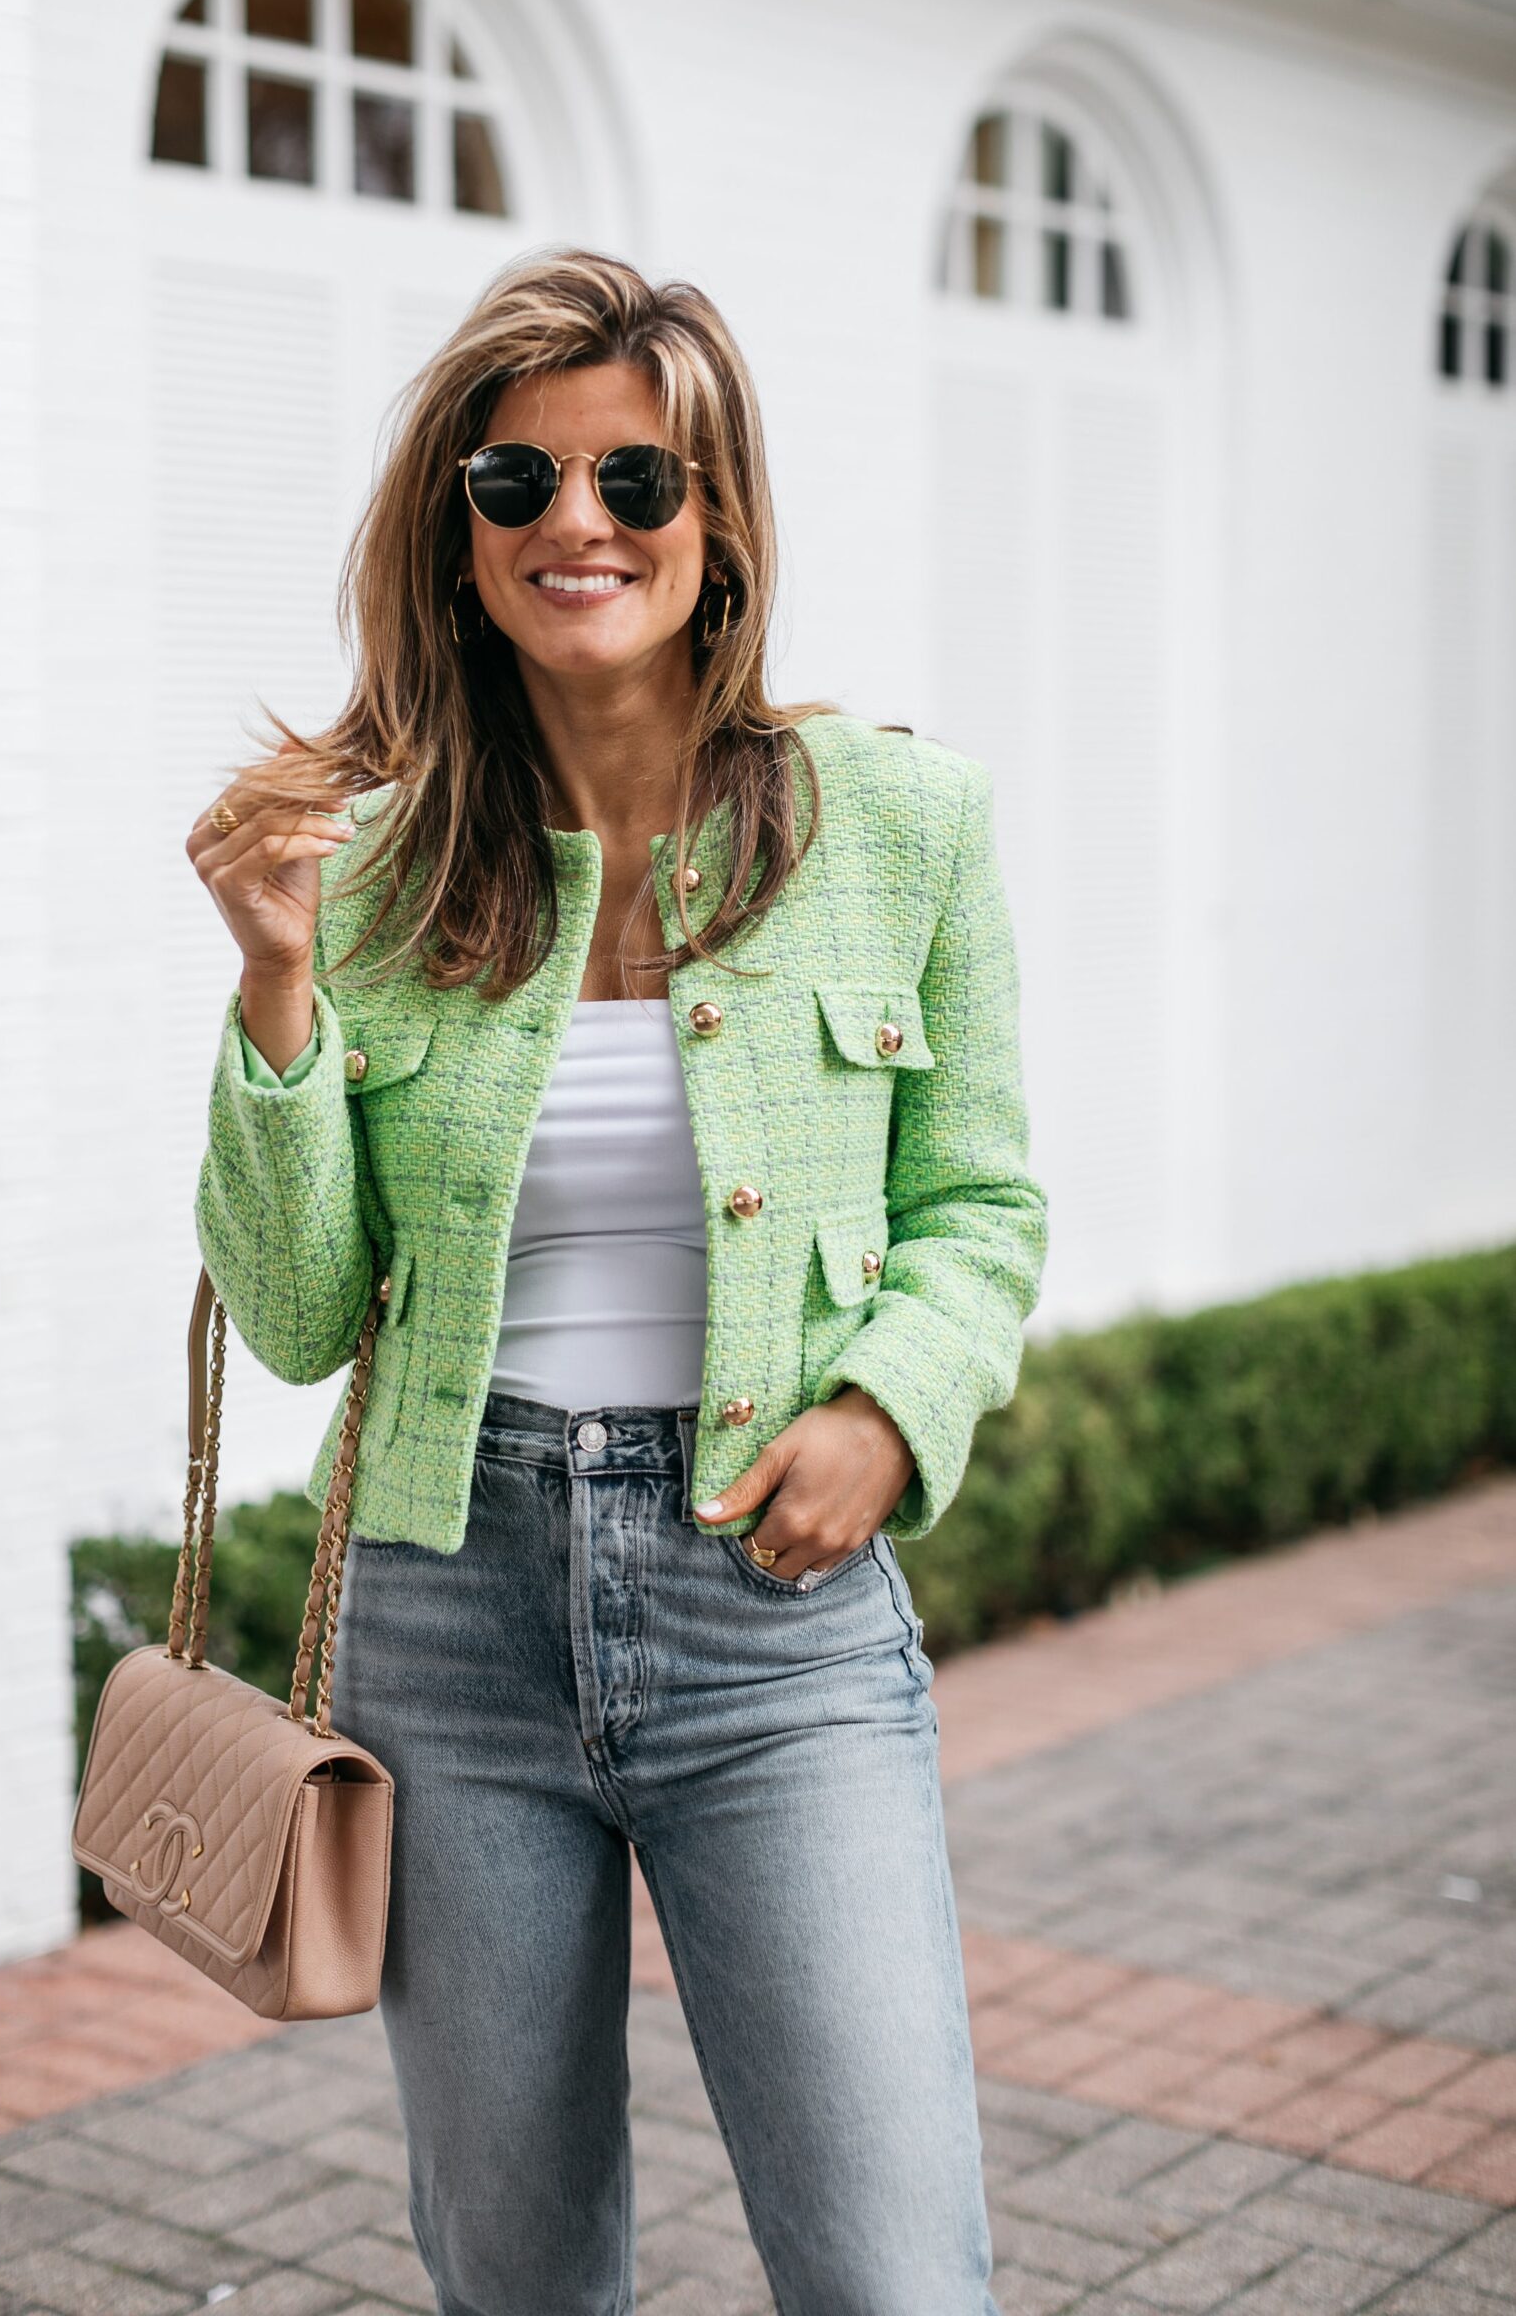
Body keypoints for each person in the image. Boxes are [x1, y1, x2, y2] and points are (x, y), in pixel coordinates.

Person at [187, 247, 1047, 2316]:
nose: (576, 522)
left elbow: (982, 1208)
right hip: (445, 1605)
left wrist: (884, 1404)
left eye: (635, 481)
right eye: (516, 485)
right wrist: (278, 987)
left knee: (888, 2264)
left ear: (718, 521)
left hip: (773, 1621)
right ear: (458, 537)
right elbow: (303, 1312)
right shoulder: (371, 871)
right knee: (515, 2264)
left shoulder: (899, 823)